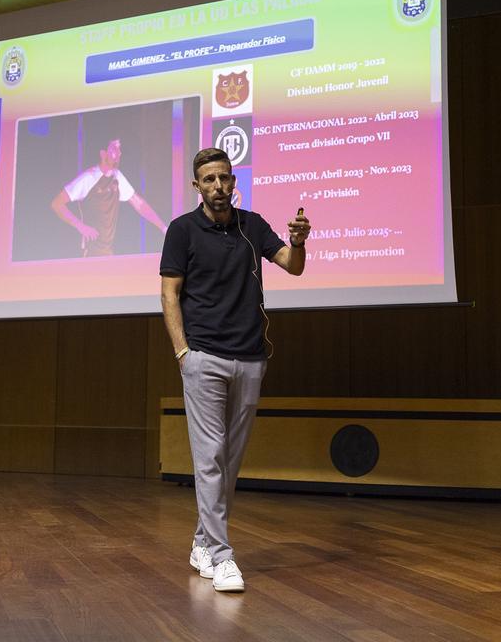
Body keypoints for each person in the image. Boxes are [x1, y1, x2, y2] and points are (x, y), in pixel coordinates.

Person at [159, 147, 311, 593]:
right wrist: (183, 353)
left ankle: (202, 542)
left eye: (224, 178)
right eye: (209, 180)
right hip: (202, 357)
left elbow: (293, 267)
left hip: (250, 358)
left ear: (233, 180)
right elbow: (170, 295)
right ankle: (223, 557)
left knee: (230, 461)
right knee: (209, 459)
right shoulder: (182, 230)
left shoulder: (253, 226)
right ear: (197, 186)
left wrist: (299, 241)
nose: (218, 186)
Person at [51, 138, 167, 256]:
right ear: (103, 154)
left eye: (119, 149)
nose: (119, 153)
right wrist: (81, 226)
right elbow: (57, 204)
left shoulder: (117, 177)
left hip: (108, 253)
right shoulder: (89, 178)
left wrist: (164, 228)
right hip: (89, 253)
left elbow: (139, 204)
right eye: (114, 148)